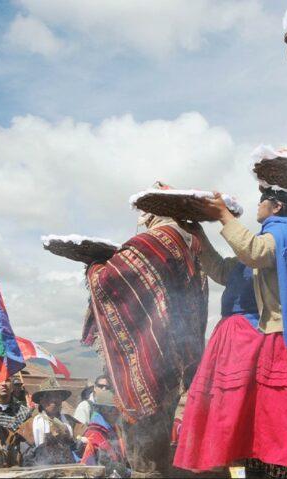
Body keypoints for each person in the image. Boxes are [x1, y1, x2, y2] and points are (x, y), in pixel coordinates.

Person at [174, 188, 287, 476]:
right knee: (255, 421)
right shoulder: (270, 241)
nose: (257, 206)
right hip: (264, 342)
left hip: (281, 341)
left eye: (262, 202)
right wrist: (198, 234)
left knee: (276, 422)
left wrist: (223, 216)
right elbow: (223, 270)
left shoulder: (286, 236)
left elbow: (254, 252)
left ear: (277, 207)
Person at [84, 183, 209, 475]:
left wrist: (93, 268)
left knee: (144, 444)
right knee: (158, 438)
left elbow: (112, 280)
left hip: (149, 359)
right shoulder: (191, 241)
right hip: (175, 357)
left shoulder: (157, 239)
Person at [20, 378, 81, 466]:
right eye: (48, 396)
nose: (54, 400)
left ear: (62, 400)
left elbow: (83, 450)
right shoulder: (29, 426)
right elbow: (27, 458)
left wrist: (69, 439)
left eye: (57, 396)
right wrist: (49, 444)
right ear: (41, 400)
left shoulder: (72, 423)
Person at [80, 389, 130, 477]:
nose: (117, 413)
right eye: (113, 409)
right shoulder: (93, 434)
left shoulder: (114, 430)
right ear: (103, 410)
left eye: (118, 409)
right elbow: (90, 469)